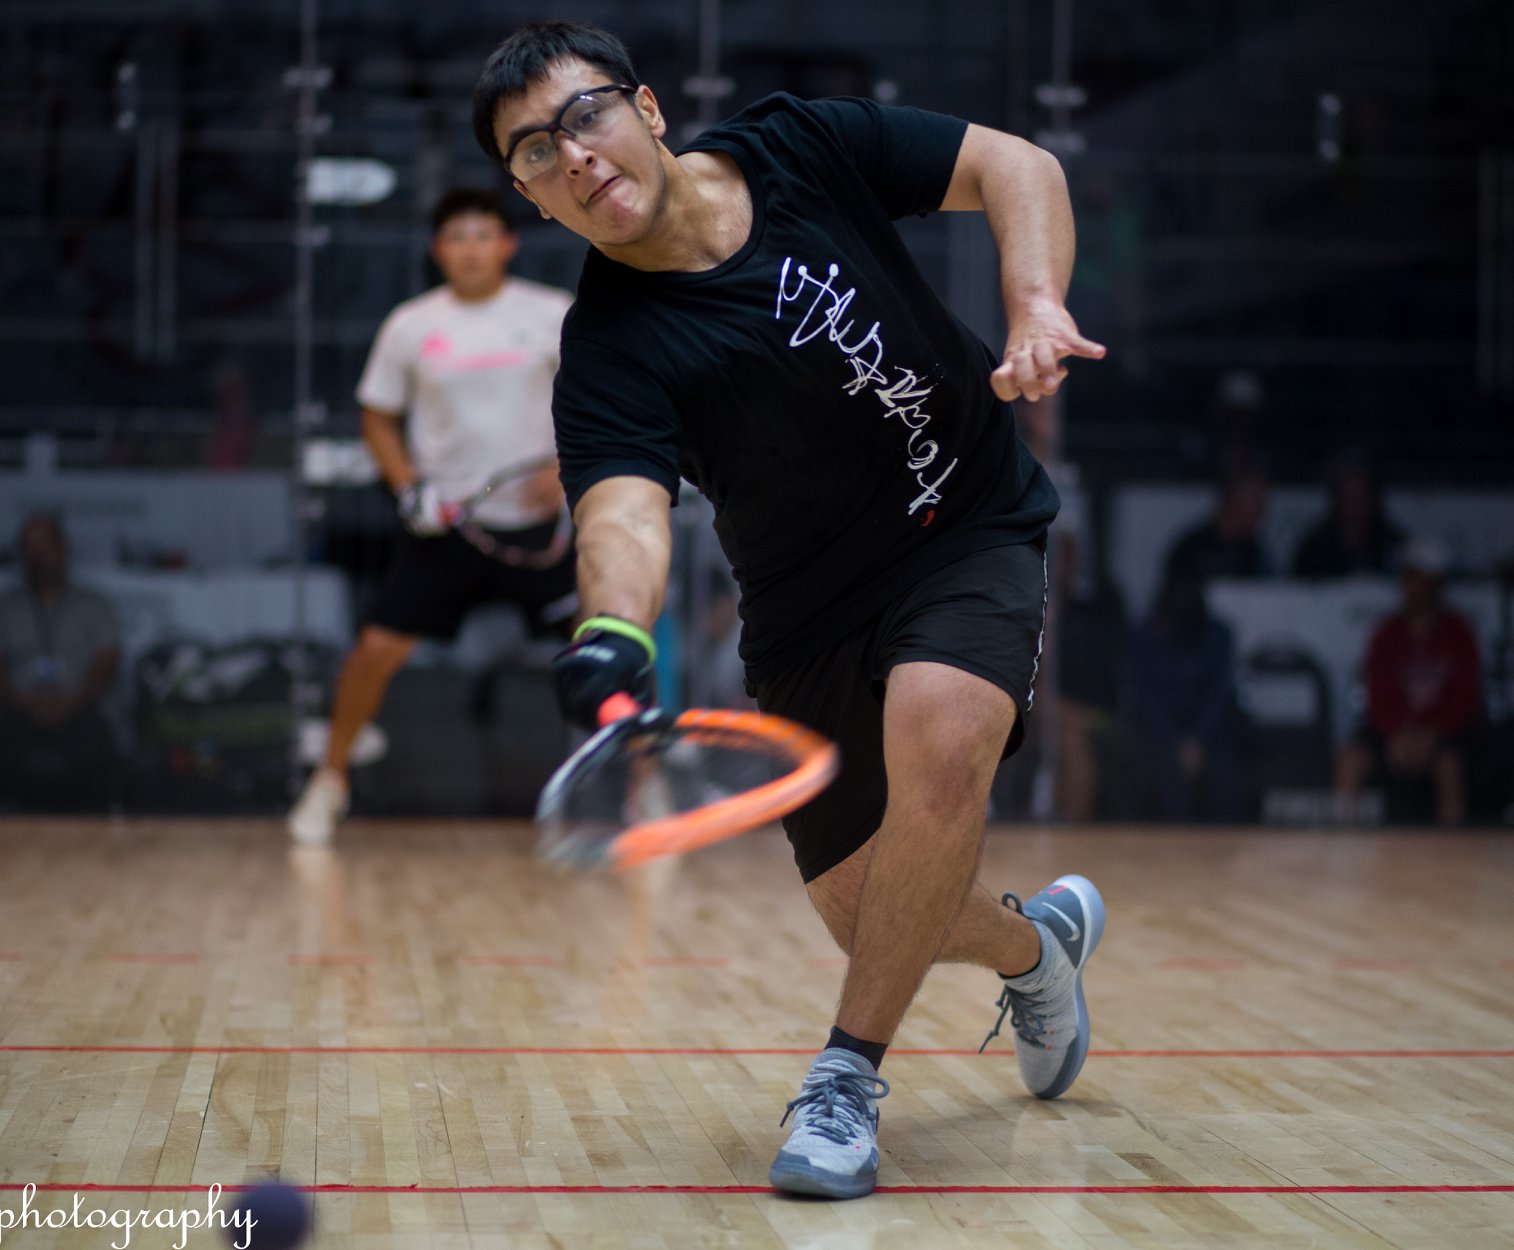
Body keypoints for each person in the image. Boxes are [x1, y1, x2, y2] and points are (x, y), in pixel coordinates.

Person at [471, 20, 1108, 1199]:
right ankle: (1040, 949)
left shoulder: (799, 146)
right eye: (532, 156)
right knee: (870, 908)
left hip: (966, 519)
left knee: (943, 742)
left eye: (583, 118)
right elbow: (622, 513)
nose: (573, 158)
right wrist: (610, 630)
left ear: (647, 109)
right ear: (534, 201)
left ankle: (844, 1080)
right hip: (806, 610)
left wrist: (1032, 306)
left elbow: (1020, 165)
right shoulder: (609, 348)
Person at [287, 188, 578, 846]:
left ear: (508, 244)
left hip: (537, 531)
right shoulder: (410, 325)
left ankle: (645, 787)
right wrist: (407, 486)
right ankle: (329, 782)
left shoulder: (552, 315)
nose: (470, 248)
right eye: (457, 236)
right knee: (374, 651)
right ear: (437, 249)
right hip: (442, 526)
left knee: (606, 643)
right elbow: (376, 416)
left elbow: (593, 399)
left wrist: (564, 469)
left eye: (483, 235)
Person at [0, 513, 121, 808]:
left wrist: (69, 702)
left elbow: (107, 666)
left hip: (78, 707)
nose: (37, 555)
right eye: (29, 547)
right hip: (18, 708)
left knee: (98, 747)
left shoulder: (94, 605)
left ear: (63, 549)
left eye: (45, 545)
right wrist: (26, 702)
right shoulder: (2, 607)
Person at [1334, 540, 1482, 826]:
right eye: (1408, 577)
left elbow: (1464, 699)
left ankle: (1453, 851)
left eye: (1421, 578)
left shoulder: (1458, 634)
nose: (1413, 586)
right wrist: (1397, 733)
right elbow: (1377, 694)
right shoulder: (1387, 634)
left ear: (1437, 584)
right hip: (1394, 733)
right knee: (1348, 760)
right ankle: (1343, 847)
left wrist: (1430, 734)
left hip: (1443, 734)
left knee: (1449, 765)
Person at [1119, 572, 1245, 822]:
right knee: (1164, 766)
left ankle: (1227, 845)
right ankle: (1175, 843)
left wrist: (1198, 741)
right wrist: (1177, 744)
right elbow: (1144, 697)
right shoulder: (1144, 635)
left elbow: (1218, 695)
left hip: (1209, 730)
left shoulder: (1218, 635)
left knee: (1226, 769)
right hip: (1160, 730)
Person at [1292, 453, 1405, 579]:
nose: (1355, 506)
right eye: (1349, 497)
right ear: (1337, 500)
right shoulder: (1314, 549)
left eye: (1361, 497)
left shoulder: (1394, 546)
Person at [1162, 465, 1271, 584]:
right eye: (1253, 503)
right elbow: (1174, 597)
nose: (1260, 512)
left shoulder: (1256, 554)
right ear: (1230, 501)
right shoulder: (1191, 550)